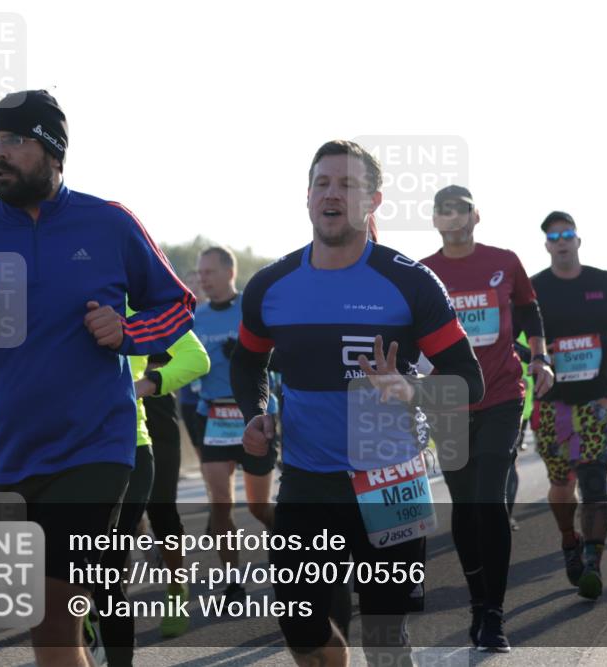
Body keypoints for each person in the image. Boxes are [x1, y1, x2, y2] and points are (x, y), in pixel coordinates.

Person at [0, 90, 195, 667]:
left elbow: (176, 306)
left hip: (96, 448)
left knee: (53, 614)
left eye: (15, 141)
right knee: (51, 628)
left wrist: (128, 332)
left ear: (55, 151)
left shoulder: (108, 223)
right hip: (6, 461)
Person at [230, 140, 483, 667]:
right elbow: (247, 362)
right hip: (306, 479)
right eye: (323, 183)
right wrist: (256, 412)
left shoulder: (410, 283)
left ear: (374, 201)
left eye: (347, 184)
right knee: (300, 631)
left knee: (387, 639)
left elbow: (469, 381)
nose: (332, 193)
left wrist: (410, 389)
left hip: (391, 481)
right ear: (307, 197)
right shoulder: (271, 286)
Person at [420, 185, 552, 651]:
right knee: (465, 505)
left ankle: (495, 615)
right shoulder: (424, 273)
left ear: (476, 217)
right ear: (435, 220)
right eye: (443, 212)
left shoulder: (505, 262)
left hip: (500, 394)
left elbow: (528, 309)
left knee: (489, 498)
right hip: (448, 401)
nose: (452, 218)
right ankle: (477, 602)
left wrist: (540, 358)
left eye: (460, 211)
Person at [530, 211, 607, 601]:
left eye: (568, 234)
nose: (561, 241)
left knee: (595, 484)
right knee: (562, 485)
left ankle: (593, 562)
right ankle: (568, 540)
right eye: (554, 236)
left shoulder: (605, 282)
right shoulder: (532, 290)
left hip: (598, 400)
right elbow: (515, 337)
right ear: (547, 245)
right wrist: (536, 359)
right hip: (553, 405)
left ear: (578, 240)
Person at [94, 321, 208, 666]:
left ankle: (177, 588)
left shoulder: (148, 300)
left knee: (162, 509)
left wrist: (149, 380)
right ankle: (99, 606)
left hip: (153, 410)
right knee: (108, 545)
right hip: (103, 426)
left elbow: (194, 357)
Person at [192, 246, 279, 603]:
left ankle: (292, 551)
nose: (202, 280)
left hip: (255, 416)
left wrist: (247, 354)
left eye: (209, 273)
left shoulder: (252, 308)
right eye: (199, 274)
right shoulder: (194, 317)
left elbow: (279, 355)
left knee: (259, 508)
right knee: (220, 505)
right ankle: (233, 580)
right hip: (214, 416)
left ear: (230, 272)